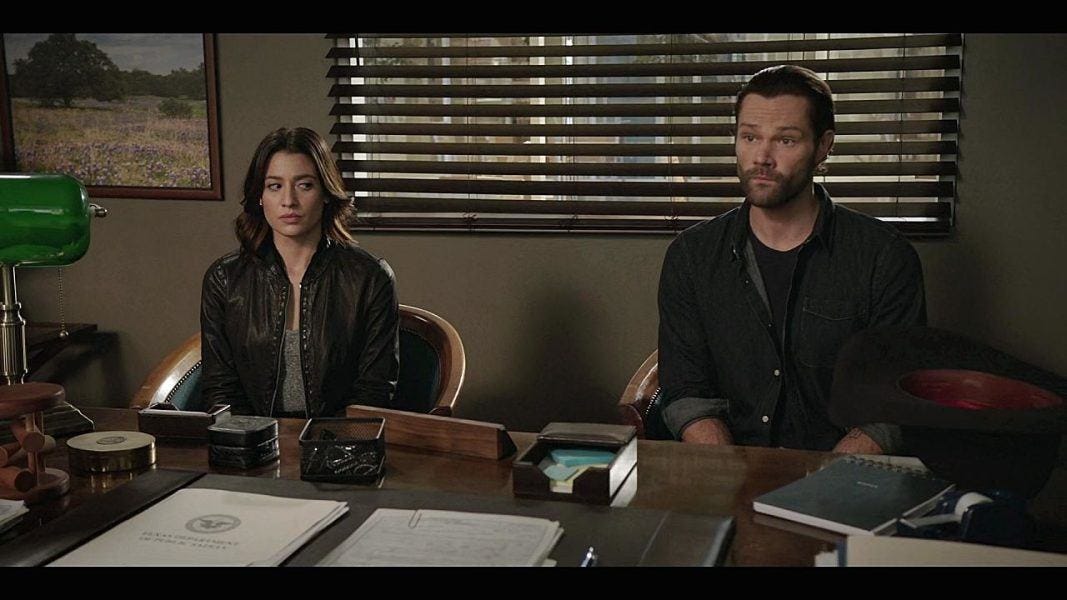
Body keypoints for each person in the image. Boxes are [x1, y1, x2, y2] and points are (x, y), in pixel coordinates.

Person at [657, 65, 925, 453]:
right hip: (727, 469)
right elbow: (686, 390)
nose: (762, 157)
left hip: (839, 477)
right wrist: (728, 474)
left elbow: (893, 402)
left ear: (823, 147)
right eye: (750, 137)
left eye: (786, 141)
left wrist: (824, 487)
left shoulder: (884, 257)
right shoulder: (691, 257)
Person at [200, 127, 398, 418]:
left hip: (339, 446)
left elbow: (374, 392)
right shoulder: (224, 279)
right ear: (259, 196)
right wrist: (251, 445)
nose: (288, 201)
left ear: (326, 193)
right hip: (253, 447)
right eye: (274, 186)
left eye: (304, 185)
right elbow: (220, 389)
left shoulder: (370, 277)